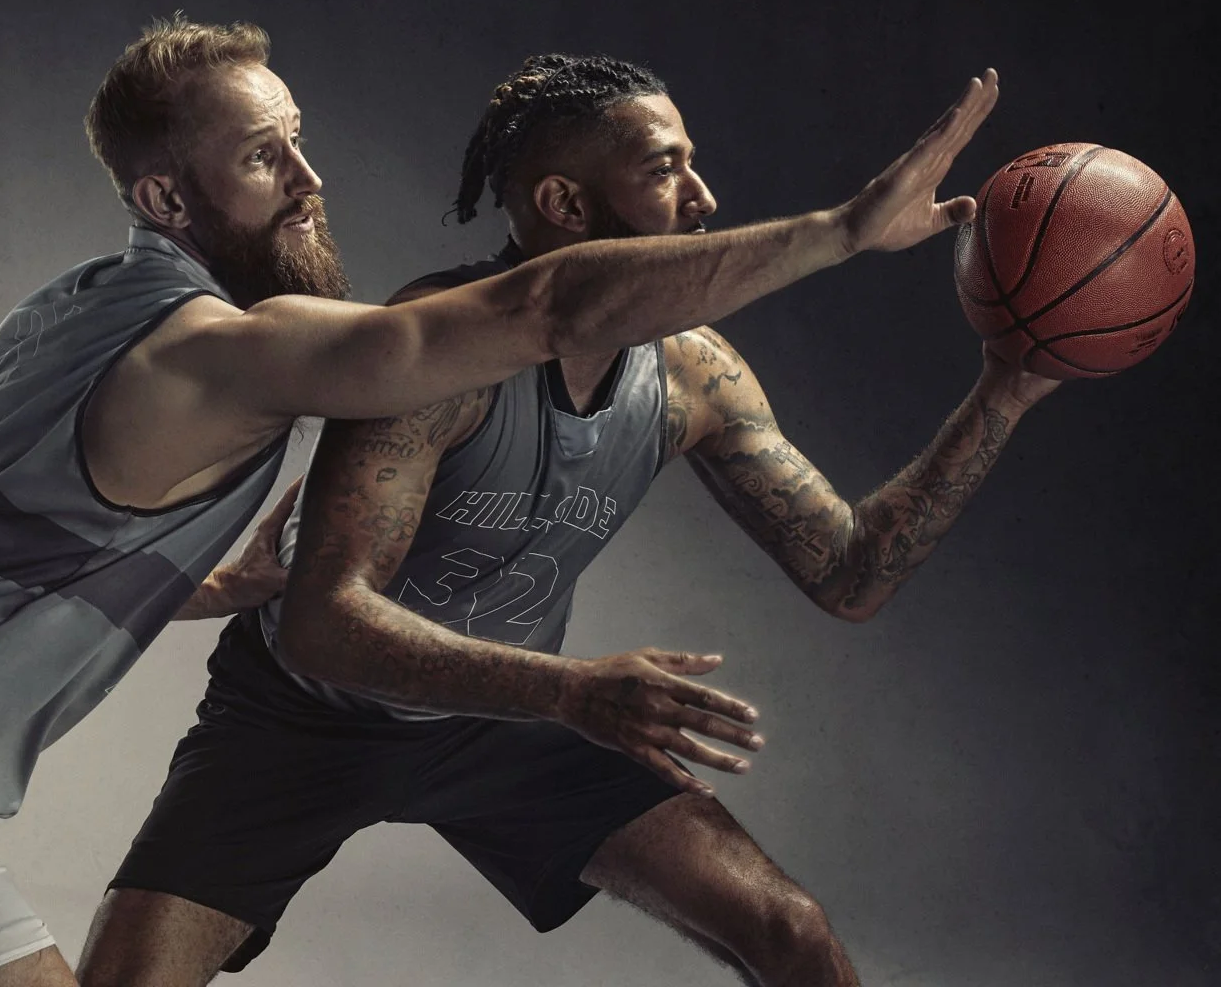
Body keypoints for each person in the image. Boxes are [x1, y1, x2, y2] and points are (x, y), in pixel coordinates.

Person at [0, 15, 995, 986]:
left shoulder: (79, 306)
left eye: (298, 138)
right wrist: (839, 228)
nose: (309, 176)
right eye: (265, 156)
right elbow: (541, 309)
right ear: (168, 199)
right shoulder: (221, 345)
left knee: (791, 927)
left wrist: (201, 581)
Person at [80, 53, 1044, 985]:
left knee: (791, 934)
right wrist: (568, 693)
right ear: (566, 205)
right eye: (665, 169)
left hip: (505, 716)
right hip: (305, 720)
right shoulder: (441, 348)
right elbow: (324, 623)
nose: (703, 198)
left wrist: (1006, 386)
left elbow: (851, 575)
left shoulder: (692, 372)